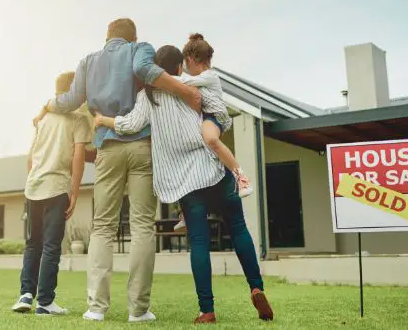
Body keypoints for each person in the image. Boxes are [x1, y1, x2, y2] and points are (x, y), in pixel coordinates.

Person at [33, 18, 202, 323]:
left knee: (103, 228)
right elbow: (147, 71)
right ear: (133, 37)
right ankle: (138, 310)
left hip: (107, 150)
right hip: (141, 148)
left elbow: (71, 100)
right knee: (141, 227)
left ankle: (96, 307)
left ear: (107, 37)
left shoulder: (88, 61)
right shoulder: (140, 49)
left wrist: (48, 103)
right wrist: (185, 91)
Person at [95, 45, 273, 324]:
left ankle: (207, 310)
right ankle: (256, 287)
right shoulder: (190, 86)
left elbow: (130, 125)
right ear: (179, 67)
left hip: (185, 183)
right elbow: (219, 112)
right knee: (238, 228)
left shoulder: (148, 96)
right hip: (213, 170)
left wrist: (103, 119)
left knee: (199, 242)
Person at [12, 72, 92, 315]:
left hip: (33, 188)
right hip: (56, 188)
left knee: (32, 244)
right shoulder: (78, 120)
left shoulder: (42, 120)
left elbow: (30, 157)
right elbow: (78, 157)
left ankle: (26, 295)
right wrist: (75, 192)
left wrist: (33, 180)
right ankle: (45, 302)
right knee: (50, 246)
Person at [172, 33, 253, 233]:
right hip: (204, 118)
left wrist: (160, 77)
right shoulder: (200, 77)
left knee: (210, 139)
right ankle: (184, 212)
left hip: (214, 117)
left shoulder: (209, 76)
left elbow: (184, 84)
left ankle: (241, 176)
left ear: (190, 60)